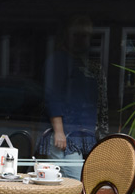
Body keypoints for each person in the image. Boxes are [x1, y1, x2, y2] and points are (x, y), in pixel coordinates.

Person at [42, 14, 108, 179]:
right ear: (66, 36)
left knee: (78, 182)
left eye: (84, 36)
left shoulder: (83, 62)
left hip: (82, 134)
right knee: (74, 183)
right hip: (64, 136)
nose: (80, 40)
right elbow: (53, 95)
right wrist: (59, 131)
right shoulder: (57, 60)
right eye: (76, 35)